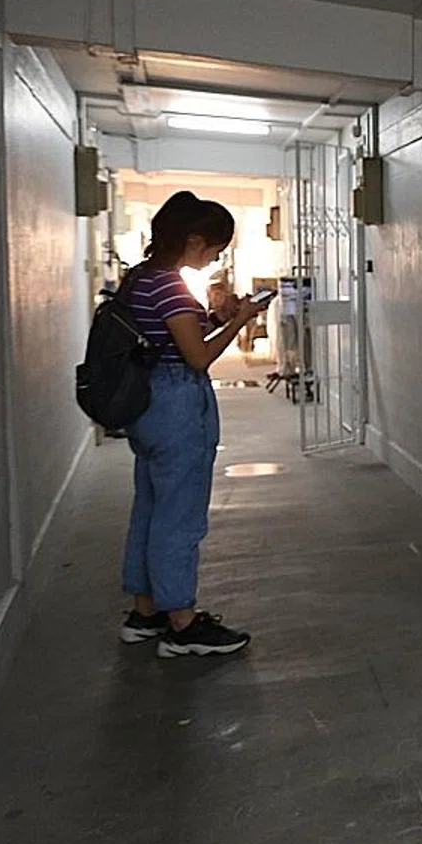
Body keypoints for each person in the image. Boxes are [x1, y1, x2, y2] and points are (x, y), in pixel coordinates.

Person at [116, 191, 263, 658]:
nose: (215, 258)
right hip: (176, 403)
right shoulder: (170, 286)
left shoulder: (140, 279)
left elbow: (172, 336)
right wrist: (239, 323)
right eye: (214, 249)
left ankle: (145, 612)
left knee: (152, 507)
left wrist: (217, 315)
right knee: (180, 516)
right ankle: (182, 622)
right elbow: (197, 358)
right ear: (193, 239)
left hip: (146, 404)